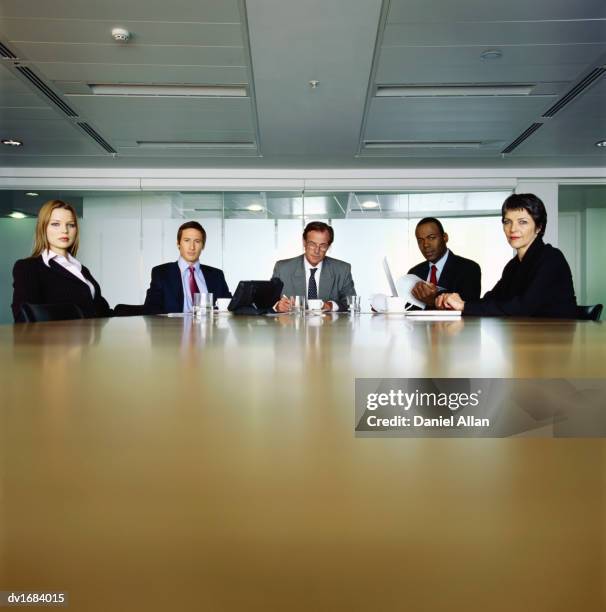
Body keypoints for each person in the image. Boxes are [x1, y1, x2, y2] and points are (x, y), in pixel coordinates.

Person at [436, 193, 577, 317]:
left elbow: (524, 307)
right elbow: (491, 299)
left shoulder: (551, 258)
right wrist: (455, 302)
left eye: (522, 222)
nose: (513, 229)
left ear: (539, 227)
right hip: (527, 336)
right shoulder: (513, 265)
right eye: (507, 222)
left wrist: (465, 306)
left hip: (556, 339)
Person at [11, 199, 112, 322]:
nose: (65, 230)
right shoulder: (29, 267)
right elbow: (24, 316)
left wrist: (141, 311)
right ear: (43, 227)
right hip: (57, 340)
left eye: (71, 224)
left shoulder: (80, 269)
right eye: (55, 224)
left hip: (93, 339)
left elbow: (104, 313)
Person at [144, 221, 231, 314]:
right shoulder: (161, 273)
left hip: (209, 327)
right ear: (178, 244)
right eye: (187, 240)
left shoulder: (217, 275)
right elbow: (151, 310)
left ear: (203, 246)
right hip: (174, 328)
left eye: (197, 241)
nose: (192, 247)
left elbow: (230, 306)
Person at [272, 221, 355, 312]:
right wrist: (277, 306)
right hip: (293, 325)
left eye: (323, 246)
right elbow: (267, 302)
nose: (316, 251)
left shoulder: (342, 269)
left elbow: (351, 303)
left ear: (328, 246)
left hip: (327, 325)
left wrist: (330, 306)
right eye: (312, 244)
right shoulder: (283, 268)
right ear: (304, 243)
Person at [408, 217, 481, 308]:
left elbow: (469, 309)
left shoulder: (469, 269)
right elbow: (408, 309)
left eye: (431, 238)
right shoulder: (414, 272)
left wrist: (433, 301)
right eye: (420, 241)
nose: (425, 245)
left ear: (445, 237)